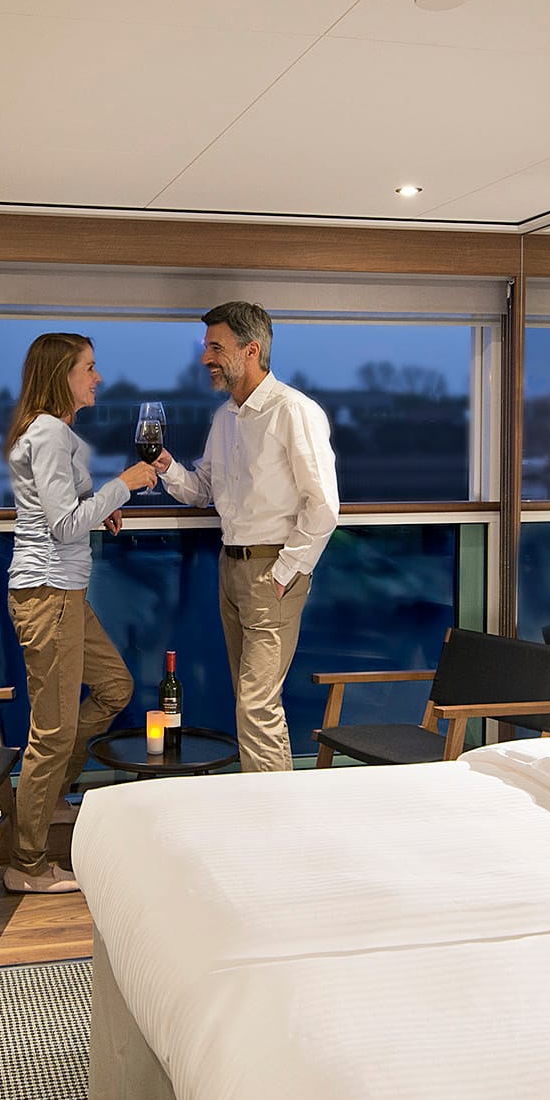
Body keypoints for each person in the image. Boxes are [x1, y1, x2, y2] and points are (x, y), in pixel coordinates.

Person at [154, 301, 339, 773]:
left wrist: (284, 572)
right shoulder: (226, 419)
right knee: (249, 700)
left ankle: (277, 823)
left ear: (251, 349)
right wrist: (165, 466)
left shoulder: (293, 412)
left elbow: (323, 505)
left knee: (257, 706)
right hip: (231, 569)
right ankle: (261, 810)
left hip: (270, 573)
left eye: (216, 347)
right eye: (206, 347)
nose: (205, 359)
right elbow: (203, 491)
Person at [3, 332, 158, 894]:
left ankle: (48, 804)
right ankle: (26, 862)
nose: (98, 378)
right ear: (61, 375)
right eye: (89, 368)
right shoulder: (47, 432)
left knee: (115, 687)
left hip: (67, 595)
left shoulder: (57, 434)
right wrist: (126, 484)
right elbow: (63, 524)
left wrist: (104, 513)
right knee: (52, 731)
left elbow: (70, 514)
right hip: (49, 596)